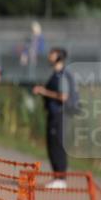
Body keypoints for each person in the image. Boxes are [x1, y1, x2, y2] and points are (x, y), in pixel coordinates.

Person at [33, 47, 73, 189]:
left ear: (58, 57)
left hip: (59, 114)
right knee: (52, 145)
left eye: (52, 54)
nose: (49, 56)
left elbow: (63, 96)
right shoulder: (55, 74)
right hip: (53, 114)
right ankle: (57, 177)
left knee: (57, 145)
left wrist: (44, 91)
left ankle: (61, 179)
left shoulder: (62, 75)